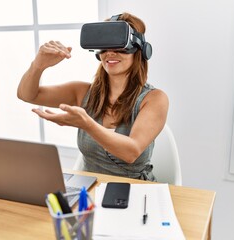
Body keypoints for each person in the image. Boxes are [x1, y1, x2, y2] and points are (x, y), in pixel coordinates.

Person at [17, 12, 168, 181]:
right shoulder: (82, 92)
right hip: (90, 189)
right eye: (104, 45)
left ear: (139, 50)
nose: (110, 53)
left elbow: (131, 152)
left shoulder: (154, 99)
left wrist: (86, 124)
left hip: (135, 191)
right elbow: (27, 94)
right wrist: (38, 66)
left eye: (119, 46)